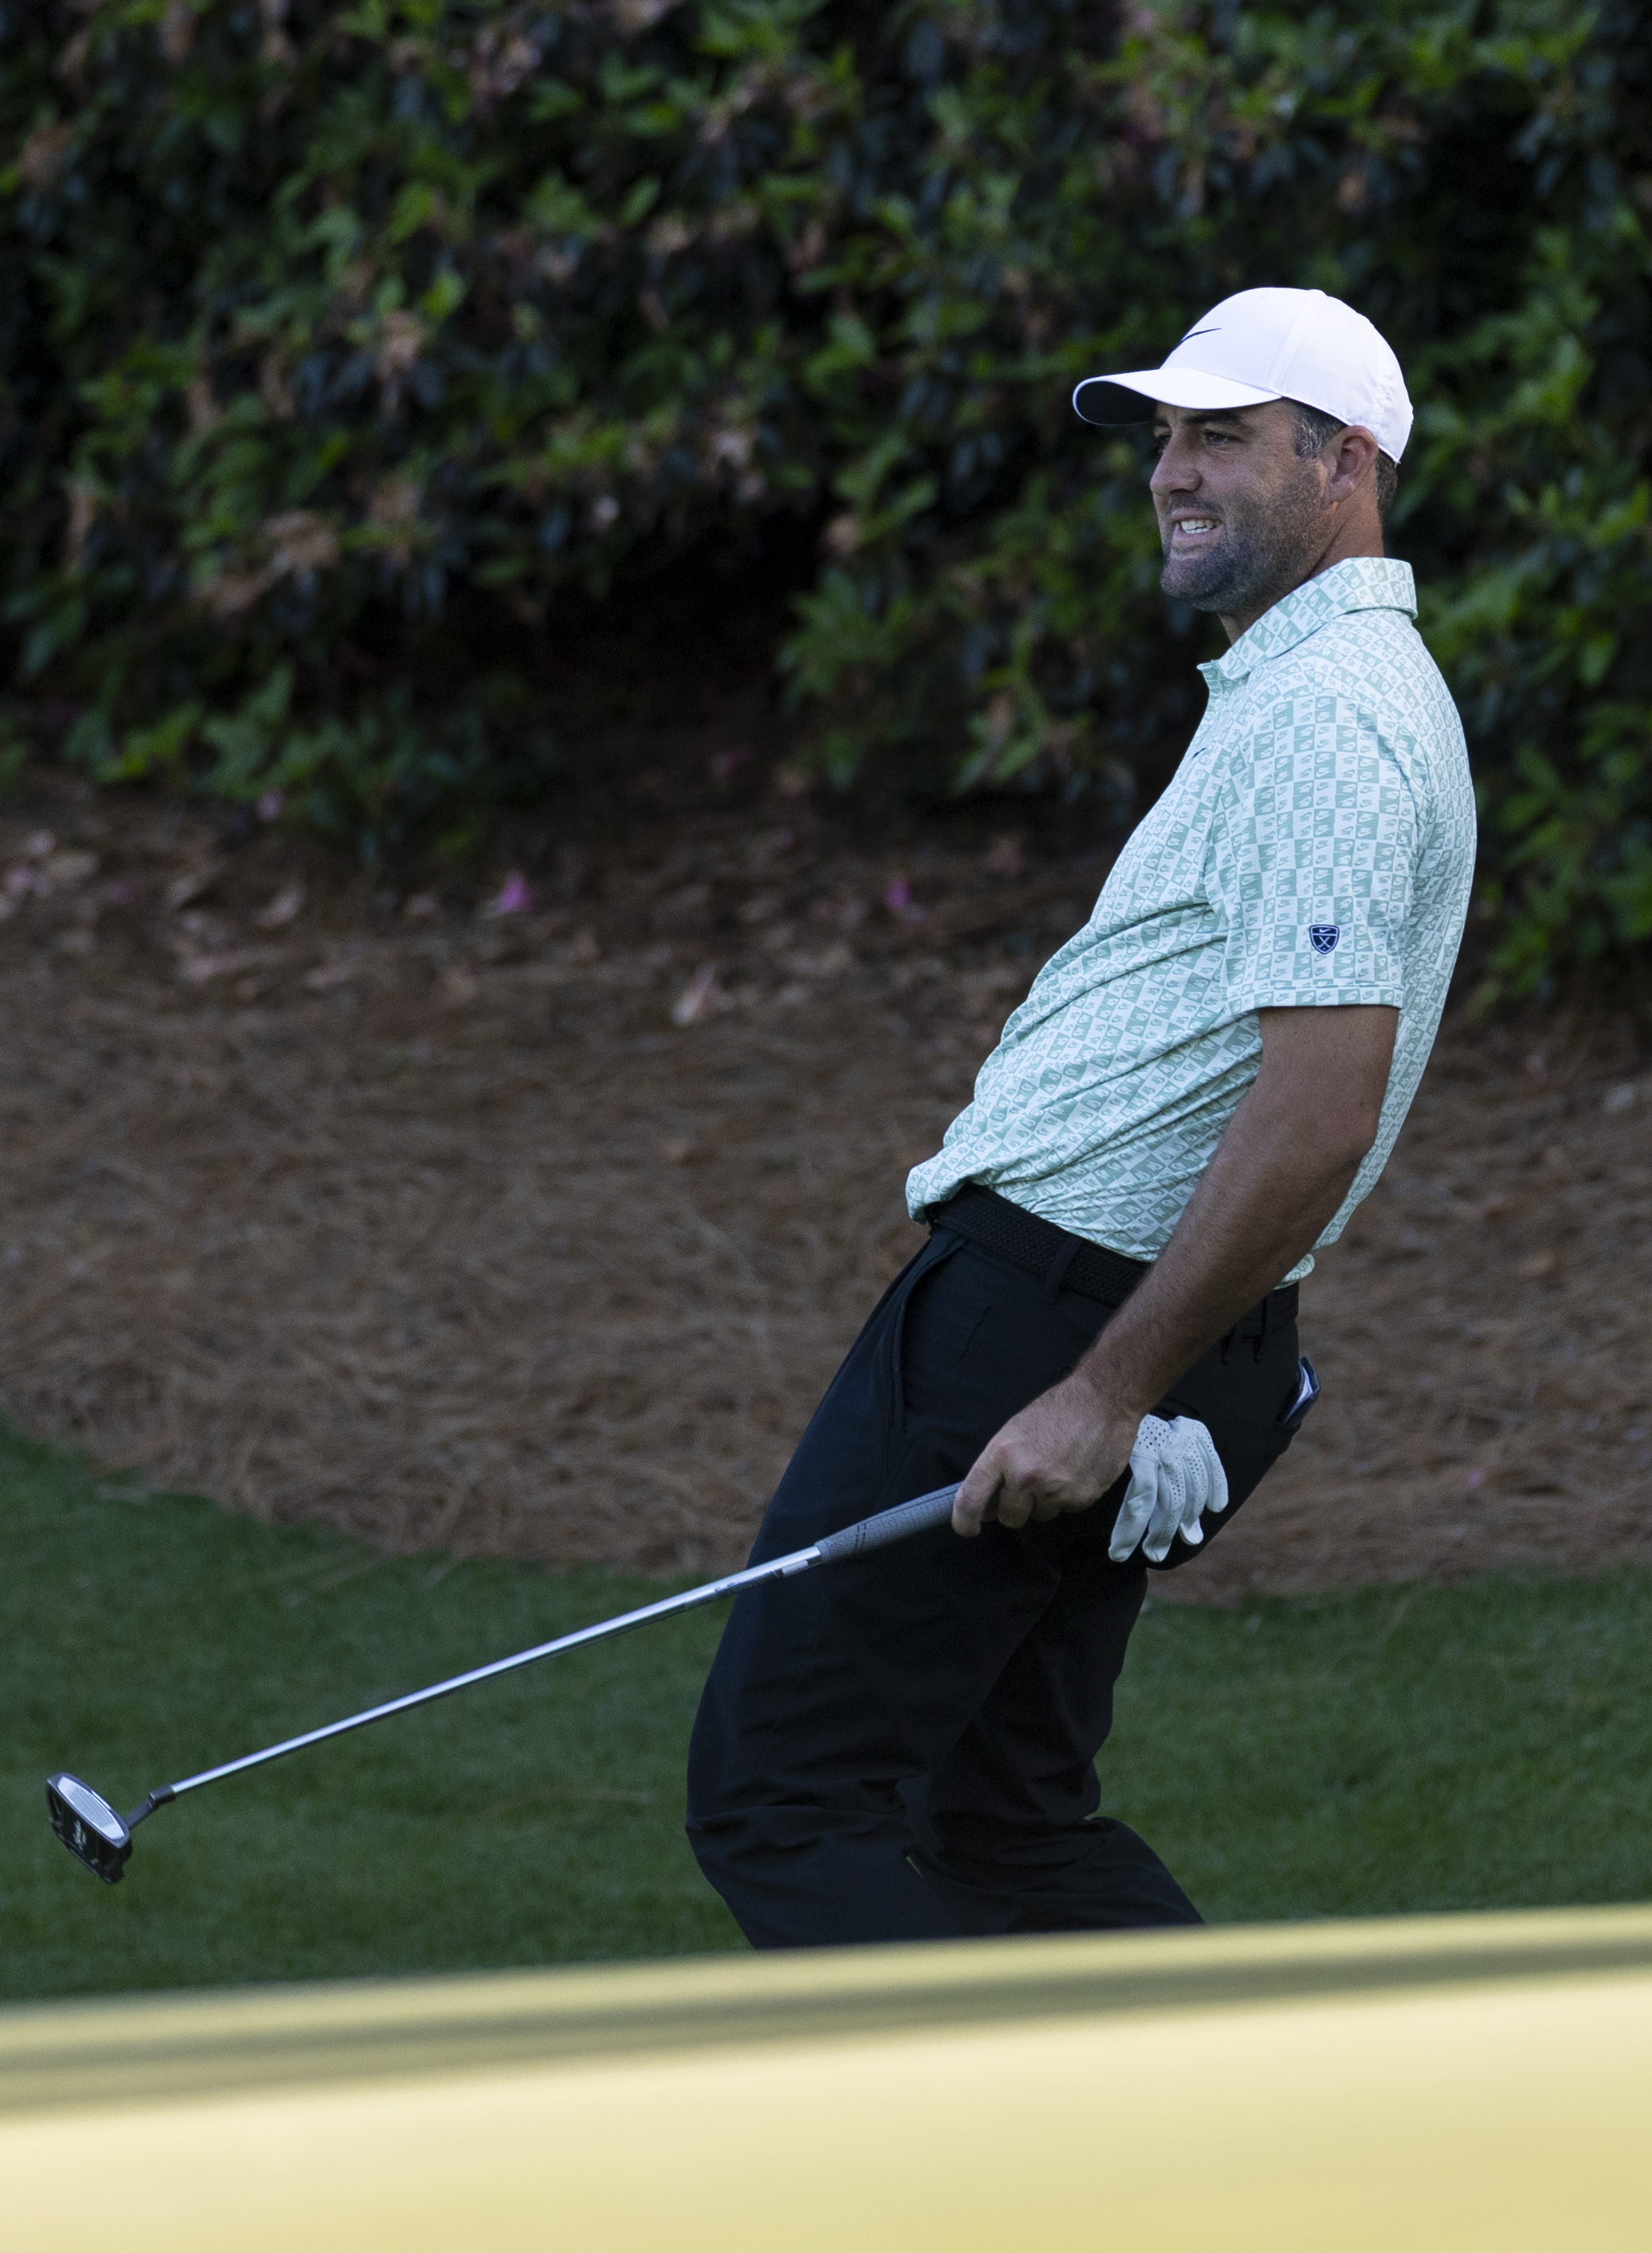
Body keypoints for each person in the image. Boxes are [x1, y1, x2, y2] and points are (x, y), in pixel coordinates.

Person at [685, 286, 1473, 1946]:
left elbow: (1322, 1105)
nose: (1172, 473)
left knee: (789, 1796)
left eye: (1224, 438)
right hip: (1128, 1310)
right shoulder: (1317, 686)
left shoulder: (1333, 719)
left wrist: (1106, 1393)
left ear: (1345, 461)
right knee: (1002, 1818)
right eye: (1165, 439)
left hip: (1055, 1321)